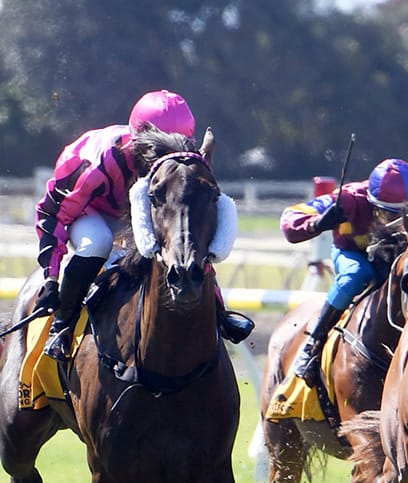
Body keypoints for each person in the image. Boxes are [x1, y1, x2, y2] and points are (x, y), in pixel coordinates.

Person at [34, 89, 253, 362]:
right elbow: (52, 213)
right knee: (98, 242)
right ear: (140, 143)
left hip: (143, 209)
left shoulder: (182, 163)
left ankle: (219, 312)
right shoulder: (97, 162)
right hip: (93, 211)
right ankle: (62, 325)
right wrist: (51, 278)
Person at [280, 158, 408, 384]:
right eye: (390, 214)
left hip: (394, 257)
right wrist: (317, 223)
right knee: (355, 275)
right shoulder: (348, 198)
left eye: (405, 213)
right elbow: (290, 217)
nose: (398, 221)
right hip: (354, 254)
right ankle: (313, 345)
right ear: (372, 202)